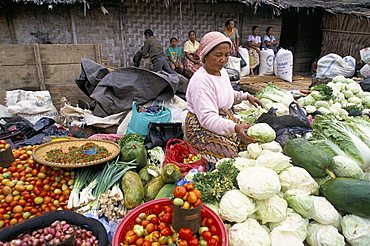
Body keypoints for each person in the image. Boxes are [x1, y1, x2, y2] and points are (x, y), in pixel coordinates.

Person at [185, 31, 263, 163]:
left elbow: (226, 94)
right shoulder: (200, 81)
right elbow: (207, 118)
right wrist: (234, 127)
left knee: (252, 139)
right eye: (218, 55)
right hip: (201, 126)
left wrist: (245, 96)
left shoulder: (222, 72)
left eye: (227, 55)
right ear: (204, 56)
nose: (223, 59)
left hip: (224, 118)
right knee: (230, 156)